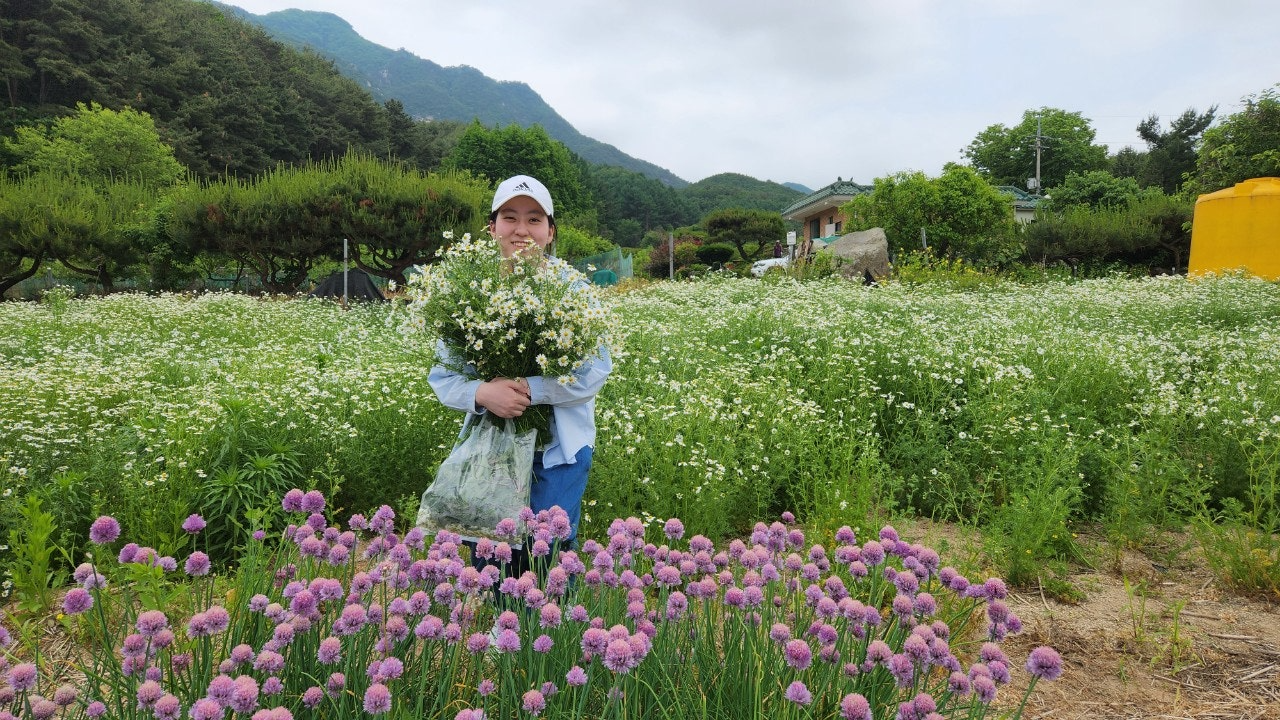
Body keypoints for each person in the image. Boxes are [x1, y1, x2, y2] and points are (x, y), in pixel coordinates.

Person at [427, 174, 612, 565]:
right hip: (492, 447)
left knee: (548, 551)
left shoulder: (574, 290)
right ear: (491, 228)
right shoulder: (468, 291)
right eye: (510, 217)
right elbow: (444, 376)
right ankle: (498, 605)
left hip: (560, 448)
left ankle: (552, 605)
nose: (521, 229)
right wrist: (483, 393)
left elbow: (593, 372)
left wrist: (529, 388)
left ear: (550, 231)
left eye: (534, 219)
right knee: (490, 547)